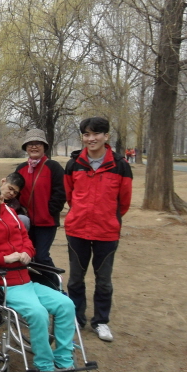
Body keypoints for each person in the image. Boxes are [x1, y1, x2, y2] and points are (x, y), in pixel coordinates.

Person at [0, 182, 92, 372]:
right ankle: (44, 369)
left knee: (66, 305)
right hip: (2, 283)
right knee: (38, 313)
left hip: (26, 280)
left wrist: (27, 253)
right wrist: (4, 258)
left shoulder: (12, 215)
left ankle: (64, 365)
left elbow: (27, 242)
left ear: (0, 199)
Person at [64, 117, 132, 343]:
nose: (91, 139)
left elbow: (124, 202)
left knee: (103, 280)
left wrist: (108, 218)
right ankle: (77, 317)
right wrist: (80, 213)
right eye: (86, 134)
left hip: (106, 232)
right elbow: (70, 196)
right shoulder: (74, 164)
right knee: (75, 278)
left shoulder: (121, 165)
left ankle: (101, 321)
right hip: (77, 230)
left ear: (106, 136)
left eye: (96, 134)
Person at [14, 129, 66, 271]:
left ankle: (55, 281)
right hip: (25, 222)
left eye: (38, 143)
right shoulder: (21, 168)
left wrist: (51, 210)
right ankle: (38, 282)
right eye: (30, 144)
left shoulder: (53, 167)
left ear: (44, 147)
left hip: (46, 222)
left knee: (42, 256)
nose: (34, 147)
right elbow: (14, 193)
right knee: (27, 256)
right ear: (26, 147)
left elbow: (61, 192)